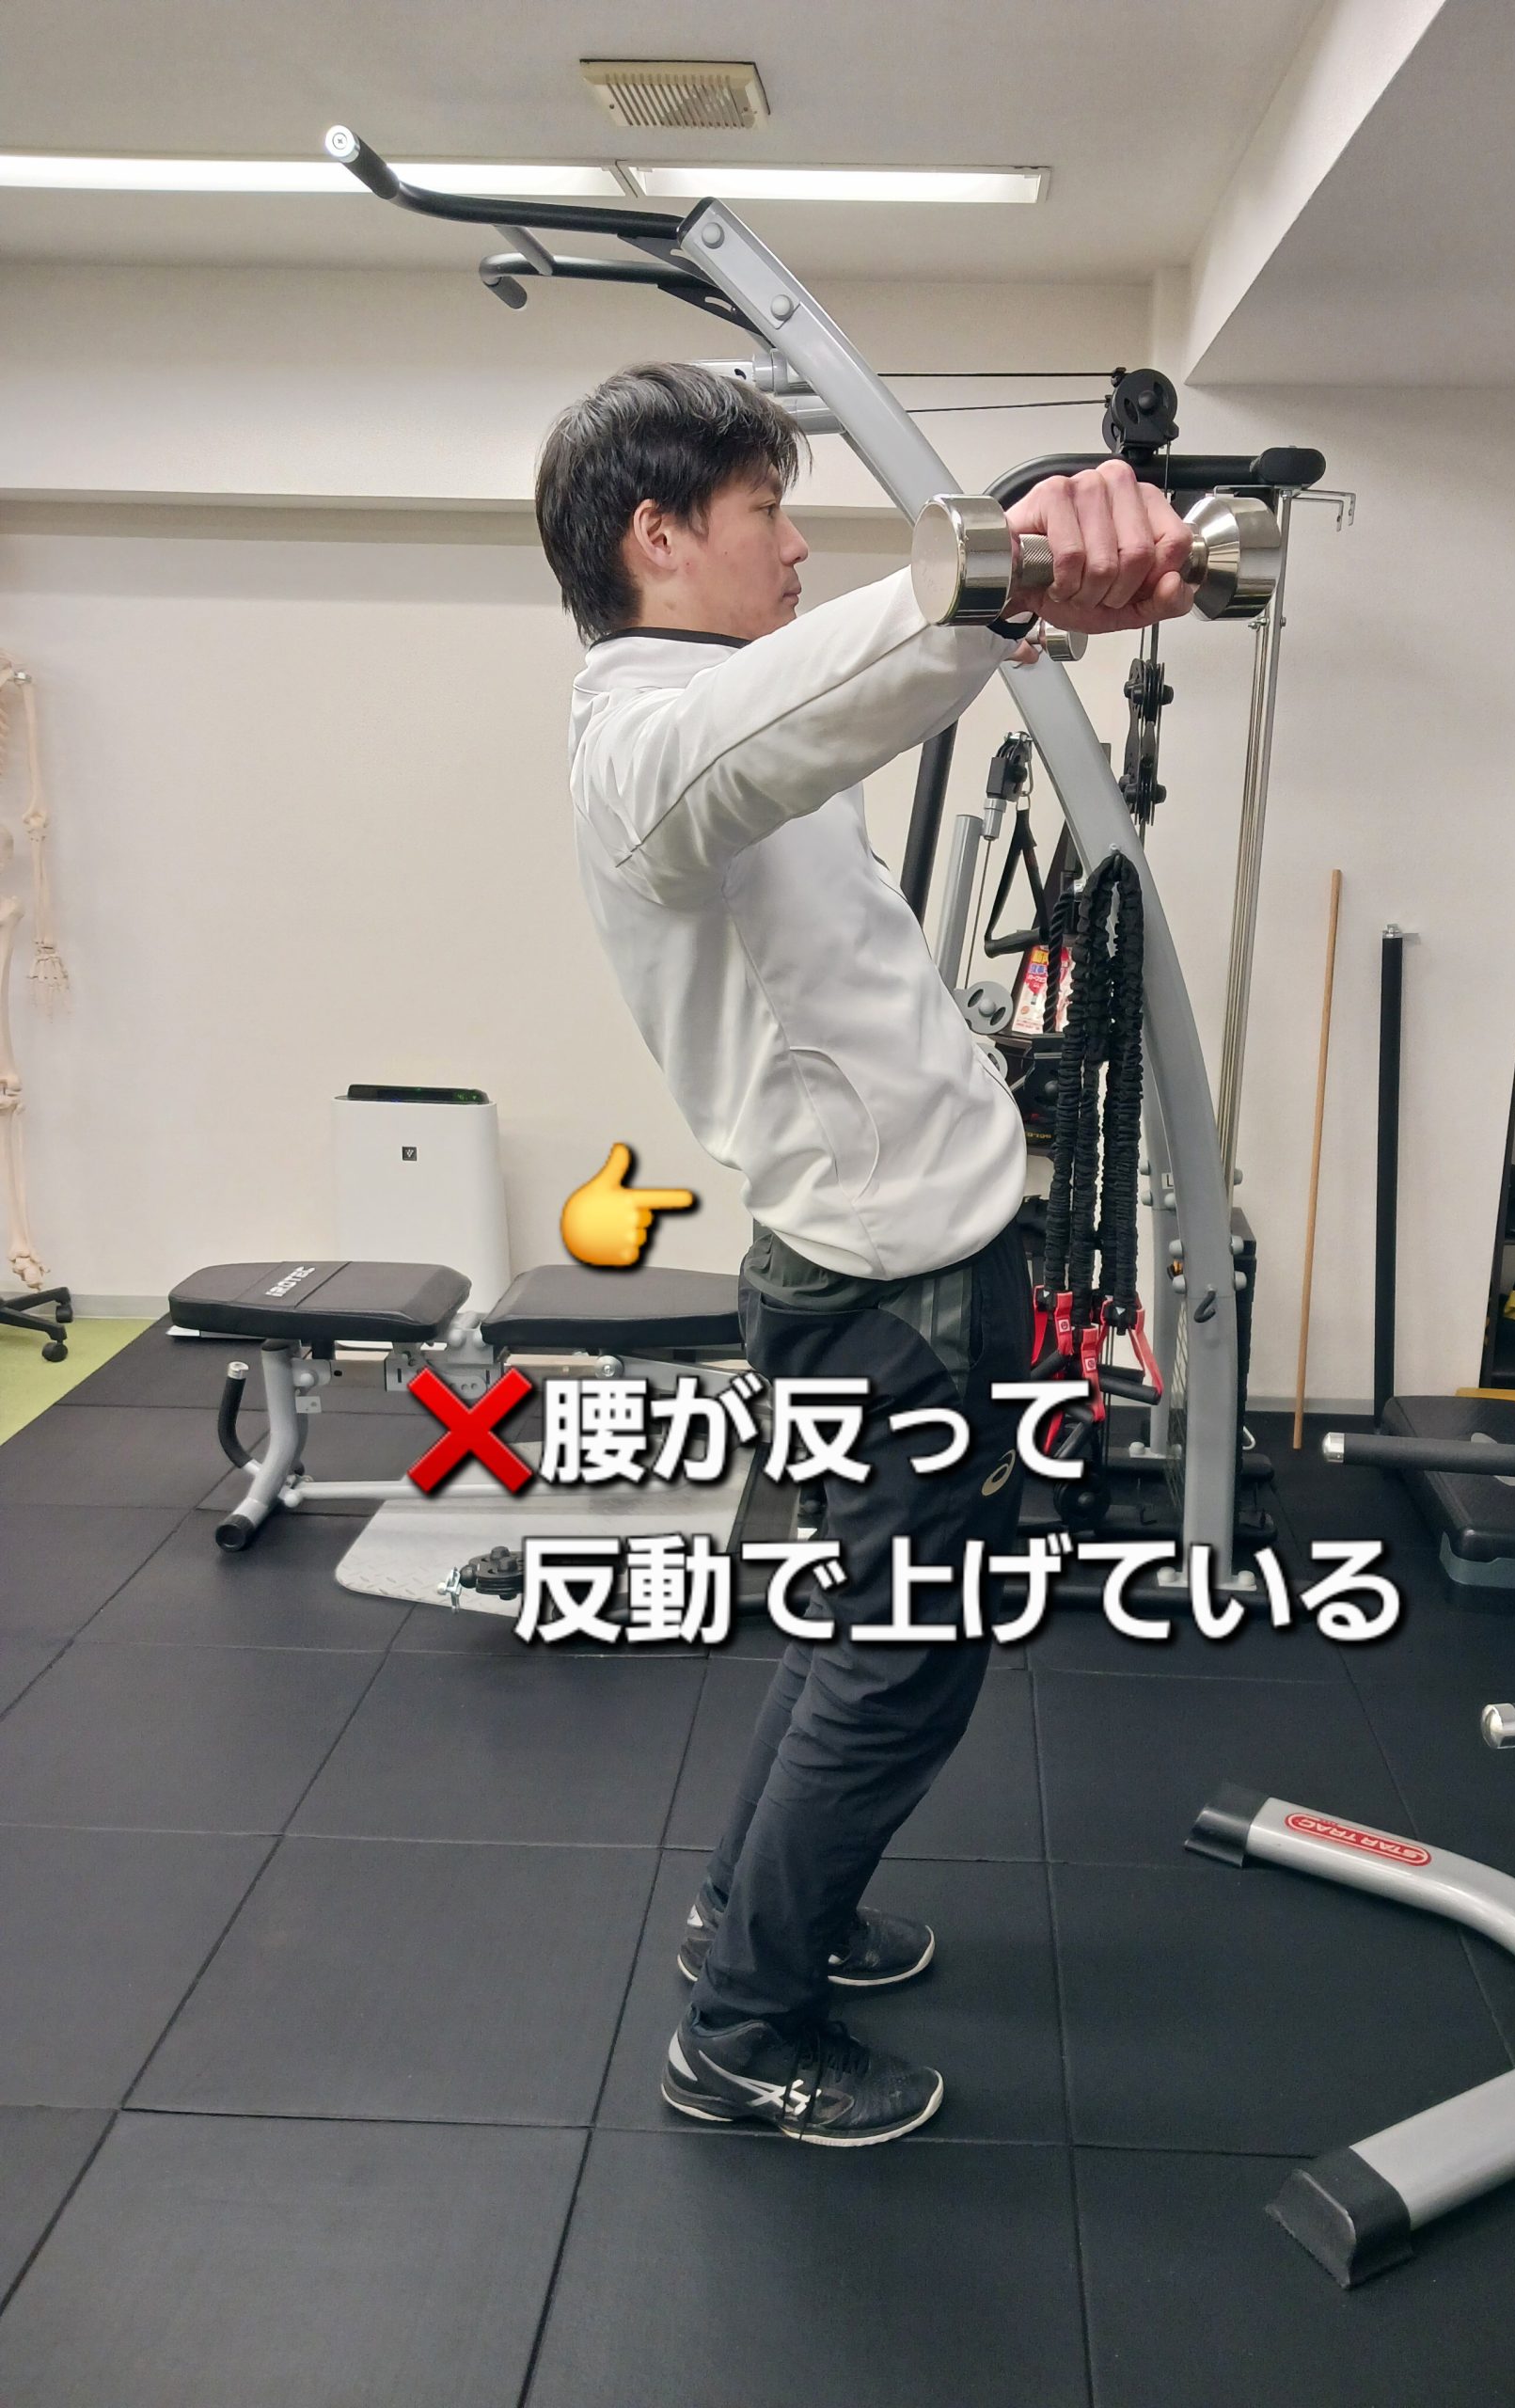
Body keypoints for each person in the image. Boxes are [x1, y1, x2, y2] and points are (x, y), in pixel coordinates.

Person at [535, 362, 1195, 2145]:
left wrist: (1012, 606)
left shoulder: (716, 723)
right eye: (766, 512)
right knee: (906, 1662)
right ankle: (746, 2031)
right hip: (893, 1299)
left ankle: (753, 1920)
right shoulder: (649, 750)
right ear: (657, 534)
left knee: (859, 1627)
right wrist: (1000, 568)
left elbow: (819, 712)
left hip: (902, 1265)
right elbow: (805, 702)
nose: (795, 544)